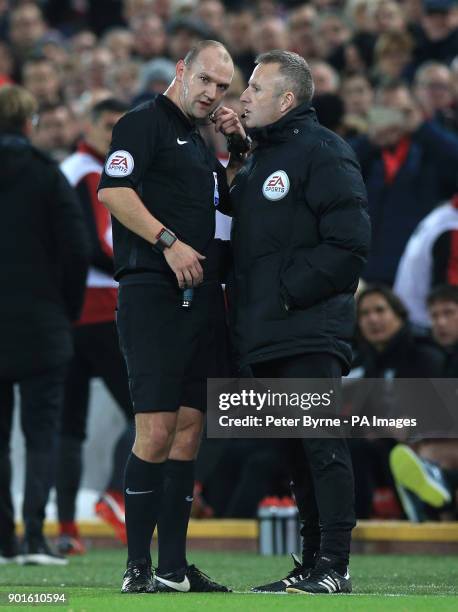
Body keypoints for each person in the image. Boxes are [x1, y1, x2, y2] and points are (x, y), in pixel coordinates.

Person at [98, 40, 247, 593]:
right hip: (154, 292)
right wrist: (168, 242)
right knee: (156, 428)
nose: (212, 94)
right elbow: (113, 191)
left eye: (222, 88)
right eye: (205, 80)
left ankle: (174, 569)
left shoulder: (202, 143)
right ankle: (138, 567)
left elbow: (222, 217)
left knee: (189, 430)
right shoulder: (143, 122)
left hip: (203, 298)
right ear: (182, 71)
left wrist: (237, 152)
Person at [230, 50, 371, 595]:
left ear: (287, 99)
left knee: (322, 445)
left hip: (306, 328)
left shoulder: (324, 151)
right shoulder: (260, 160)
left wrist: (289, 296)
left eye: (256, 89)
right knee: (294, 451)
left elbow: (350, 244)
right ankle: (310, 564)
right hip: (266, 334)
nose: (244, 97)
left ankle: (335, 564)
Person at [0, 85, 89, 564]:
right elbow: (76, 250)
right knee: (41, 433)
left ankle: (2, 541)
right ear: (29, 123)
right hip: (42, 324)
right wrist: (66, 309)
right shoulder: (47, 176)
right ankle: (35, 537)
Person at [56, 98, 135, 556]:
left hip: (68, 315)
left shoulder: (78, 168)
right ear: (87, 125)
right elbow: (94, 244)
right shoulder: (87, 171)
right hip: (102, 311)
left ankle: (68, 528)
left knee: (69, 428)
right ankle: (117, 497)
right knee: (149, 410)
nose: (113, 134)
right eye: (107, 125)